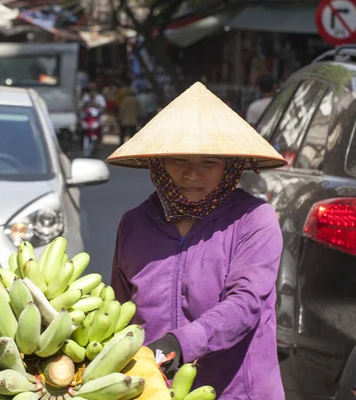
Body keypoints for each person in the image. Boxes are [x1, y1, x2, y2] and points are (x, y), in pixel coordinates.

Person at [107, 82, 287, 399]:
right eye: (179, 161)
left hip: (237, 392)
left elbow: (245, 305)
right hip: (151, 391)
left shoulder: (255, 220)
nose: (192, 174)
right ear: (158, 164)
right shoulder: (133, 224)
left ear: (229, 168)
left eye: (208, 163)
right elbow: (120, 312)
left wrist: (179, 345)